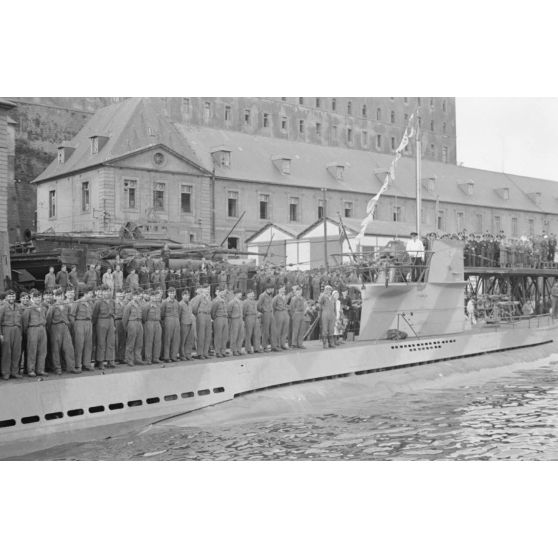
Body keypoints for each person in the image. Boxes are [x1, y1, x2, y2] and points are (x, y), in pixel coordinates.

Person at [46, 289, 80, 375]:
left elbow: (68, 316)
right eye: (58, 296)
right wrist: (51, 331)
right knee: (56, 349)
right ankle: (57, 368)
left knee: (69, 347)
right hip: (55, 327)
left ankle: (71, 367)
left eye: (61, 295)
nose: (60, 297)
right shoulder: (52, 307)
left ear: (63, 295)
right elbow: (48, 319)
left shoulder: (66, 306)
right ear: (55, 297)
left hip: (65, 327)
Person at [21, 289, 48, 377]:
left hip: (42, 329)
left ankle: (40, 369)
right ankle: (31, 370)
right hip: (32, 329)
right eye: (36, 298)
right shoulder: (29, 309)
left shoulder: (43, 308)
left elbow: (46, 319)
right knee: (32, 350)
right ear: (32, 298)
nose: (38, 299)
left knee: (42, 350)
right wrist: (28, 332)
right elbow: (25, 323)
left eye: (39, 297)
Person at [0, 290, 23, 379]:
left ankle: (14, 372)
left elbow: (21, 321)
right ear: (6, 297)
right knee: (7, 352)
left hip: (17, 329)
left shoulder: (18, 307)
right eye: (10, 296)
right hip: (6, 330)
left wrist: (20, 333)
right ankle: (6, 372)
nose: (12, 298)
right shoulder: (2, 308)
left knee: (16, 352)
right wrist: (0, 334)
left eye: (13, 296)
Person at [70, 288, 94, 372]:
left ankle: (86, 364)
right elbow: (72, 315)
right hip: (79, 323)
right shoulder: (77, 302)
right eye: (90, 294)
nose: (92, 295)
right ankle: (78, 364)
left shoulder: (90, 303)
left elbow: (92, 314)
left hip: (88, 323)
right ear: (85, 293)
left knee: (88, 344)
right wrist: (75, 327)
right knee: (79, 345)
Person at [92, 286, 116, 369]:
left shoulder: (112, 301)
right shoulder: (98, 302)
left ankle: (110, 360)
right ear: (102, 292)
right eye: (104, 291)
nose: (106, 293)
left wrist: (113, 325)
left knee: (111, 342)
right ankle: (100, 361)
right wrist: (95, 325)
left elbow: (114, 312)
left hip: (110, 321)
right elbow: (94, 315)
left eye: (108, 291)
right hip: (101, 321)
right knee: (101, 343)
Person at [122, 290, 145, 366]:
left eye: (139, 296)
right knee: (131, 342)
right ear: (133, 296)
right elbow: (125, 318)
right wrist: (127, 328)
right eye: (136, 296)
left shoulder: (140, 304)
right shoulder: (129, 305)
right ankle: (129, 359)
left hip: (139, 322)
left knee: (139, 342)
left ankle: (138, 359)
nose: (138, 297)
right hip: (132, 323)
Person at [191, 286, 212, 359]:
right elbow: (194, 308)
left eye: (208, 291)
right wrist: (199, 315)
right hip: (201, 315)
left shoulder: (209, 298)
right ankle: (200, 353)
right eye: (205, 291)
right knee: (201, 335)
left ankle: (205, 353)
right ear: (202, 291)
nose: (207, 292)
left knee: (207, 335)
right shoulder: (199, 298)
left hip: (208, 316)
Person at [142, 290, 162, 365]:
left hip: (157, 323)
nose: (154, 298)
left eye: (155, 296)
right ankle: (148, 358)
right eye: (152, 296)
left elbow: (161, 314)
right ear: (150, 297)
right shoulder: (147, 306)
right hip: (149, 322)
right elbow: (144, 316)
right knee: (149, 341)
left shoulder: (159, 305)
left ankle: (156, 358)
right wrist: (147, 323)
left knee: (157, 341)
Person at [161, 287, 180, 362]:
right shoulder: (165, 302)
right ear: (168, 293)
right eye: (170, 293)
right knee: (167, 339)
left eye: (173, 293)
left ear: (175, 293)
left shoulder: (176, 302)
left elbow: (179, 311)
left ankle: (174, 356)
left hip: (176, 320)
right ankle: (166, 357)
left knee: (176, 339)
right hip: (168, 320)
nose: (172, 294)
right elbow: (162, 313)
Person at [178, 290, 196, 361]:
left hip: (190, 323)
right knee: (183, 341)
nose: (187, 297)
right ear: (182, 296)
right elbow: (179, 315)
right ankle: (182, 355)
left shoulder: (190, 303)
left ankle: (188, 354)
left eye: (188, 295)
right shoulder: (180, 304)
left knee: (189, 340)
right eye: (185, 295)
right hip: (183, 324)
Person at [257, 282, 275, 352]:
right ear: (267, 289)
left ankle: (272, 346)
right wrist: (263, 311)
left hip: (271, 313)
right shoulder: (262, 295)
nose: (272, 290)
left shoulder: (270, 295)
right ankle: (264, 346)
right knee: (265, 331)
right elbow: (258, 305)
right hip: (265, 314)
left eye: (272, 289)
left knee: (272, 330)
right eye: (271, 289)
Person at [211, 288, 229, 358]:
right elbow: (213, 312)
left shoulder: (224, 300)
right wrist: (215, 318)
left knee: (225, 336)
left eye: (223, 292)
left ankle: (223, 351)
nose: (223, 293)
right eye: (221, 292)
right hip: (218, 318)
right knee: (218, 336)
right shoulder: (216, 300)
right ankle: (218, 352)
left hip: (225, 318)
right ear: (218, 292)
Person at [243, 289, 261, 353]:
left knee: (257, 333)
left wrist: (258, 313)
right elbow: (244, 312)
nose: (252, 295)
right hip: (249, 317)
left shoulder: (254, 301)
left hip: (255, 317)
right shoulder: (245, 302)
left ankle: (257, 348)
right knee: (248, 334)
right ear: (247, 295)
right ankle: (248, 349)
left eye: (252, 294)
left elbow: (256, 309)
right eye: (250, 294)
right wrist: (245, 319)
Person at [289, 285, 306, 349]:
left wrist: (304, 313)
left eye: (300, 292)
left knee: (301, 330)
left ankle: (300, 343)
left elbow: (304, 306)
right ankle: (294, 344)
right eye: (298, 292)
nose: (299, 293)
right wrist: (293, 316)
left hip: (302, 314)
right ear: (295, 292)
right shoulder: (293, 299)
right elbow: (291, 308)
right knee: (295, 330)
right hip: (296, 314)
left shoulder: (302, 298)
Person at [227, 289, 243, 356]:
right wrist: (233, 317)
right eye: (240, 293)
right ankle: (234, 350)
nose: (241, 294)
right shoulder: (232, 302)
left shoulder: (241, 302)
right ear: (236, 294)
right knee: (234, 335)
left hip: (240, 319)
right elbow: (229, 312)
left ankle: (239, 349)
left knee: (240, 335)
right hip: (234, 319)